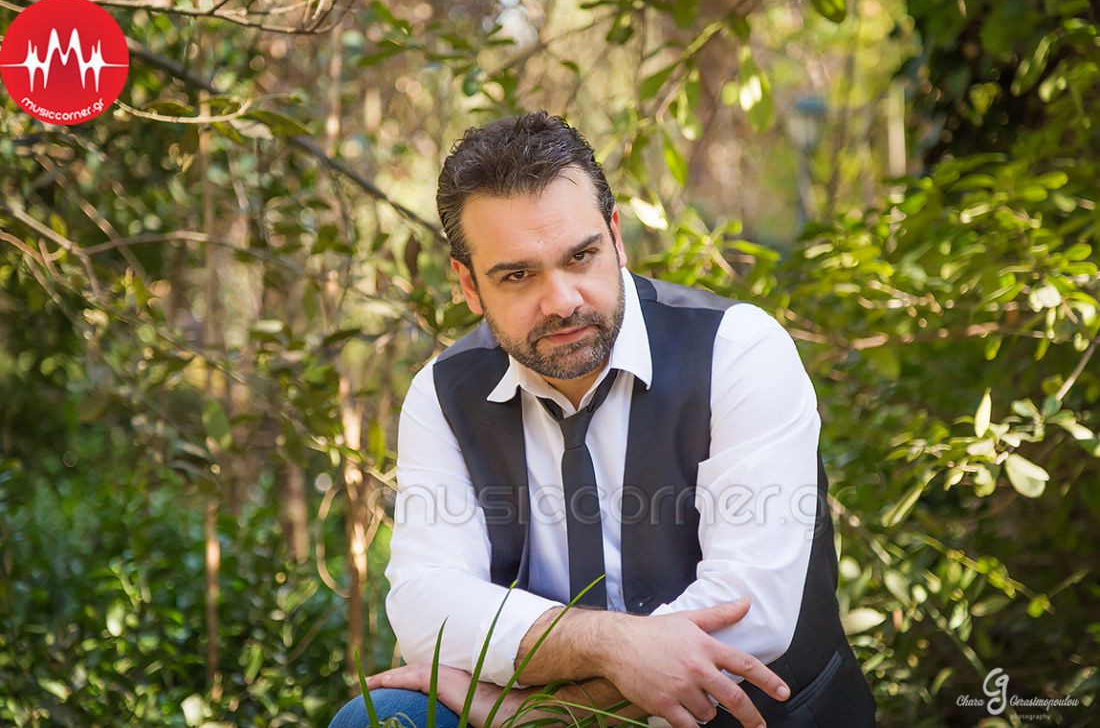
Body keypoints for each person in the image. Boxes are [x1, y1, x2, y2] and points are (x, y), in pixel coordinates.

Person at [328, 111, 876, 728]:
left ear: (615, 238)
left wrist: (527, 712)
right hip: (558, 698)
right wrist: (610, 644)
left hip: (744, 719)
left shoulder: (737, 348)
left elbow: (751, 618)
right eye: (517, 275)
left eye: (581, 256)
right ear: (470, 285)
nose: (562, 300)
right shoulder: (444, 393)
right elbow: (427, 607)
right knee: (379, 718)